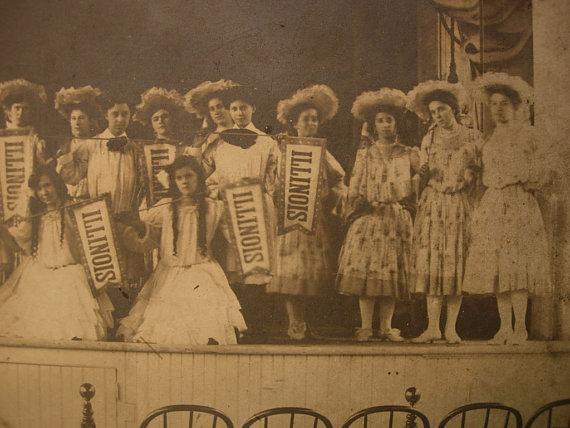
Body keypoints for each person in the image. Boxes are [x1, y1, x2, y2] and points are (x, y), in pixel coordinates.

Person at [462, 73, 554, 345]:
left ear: (515, 106)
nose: (498, 108)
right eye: (493, 104)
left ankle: (520, 328)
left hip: (518, 202)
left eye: (503, 103)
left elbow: (544, 170)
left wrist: (524, 178)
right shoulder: (488, 140)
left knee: (518, 264)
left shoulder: (528, 135)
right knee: (498, 267)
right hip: (493, 203)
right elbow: (482, 172)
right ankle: (504, 327)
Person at [117, 156, 246, 345]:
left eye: (189, 176)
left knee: (205, 325)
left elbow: (236, 237)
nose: (184, 181)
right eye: (179, 178)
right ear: (174, 181)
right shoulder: (164, 208)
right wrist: (127, 229)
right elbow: (148, 240)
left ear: (199, 178)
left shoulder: (214, 207)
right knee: (163, 327)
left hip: (203, 272)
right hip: (169, 273)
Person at [57, 92, 148, 324]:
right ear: (106, 116)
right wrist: (66, 156)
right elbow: (71, 177)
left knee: (128, 277)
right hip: (98, 220)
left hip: (126, 218)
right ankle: (105, 325)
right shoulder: (90, 145)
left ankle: (124, 324)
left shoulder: (137, 149)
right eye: (115, 114)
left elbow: (144, 185)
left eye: (125, 114)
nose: (120, 119)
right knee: (103, 275)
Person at [337, 88, 420, 342]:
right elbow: (355, 185)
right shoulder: (365, 154)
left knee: (391, 273)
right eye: (380, 121)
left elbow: (418, 182)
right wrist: (362, 201)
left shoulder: (409, 153)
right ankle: (365, 326)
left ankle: (386, 326)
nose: (384, 125)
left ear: (397, 123)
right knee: (368, 271)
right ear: (373, 125)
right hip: (370, 217)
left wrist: (407, 196)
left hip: (395, 218)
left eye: (389, 120)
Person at [267, 84, 346, 340]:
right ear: (295, 122)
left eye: (315, 119)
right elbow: (271, 179)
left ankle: (304, 321)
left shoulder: (322, 152)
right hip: (290, 217)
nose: (311, 123)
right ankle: (295, 323)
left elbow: (338, 179)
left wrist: (334, 197)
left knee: (310, 273)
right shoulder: (281, 149)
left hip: (315, 218)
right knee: (292, 270)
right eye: (306, 119)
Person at [406, 81, 482, 344]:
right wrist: (422, 175)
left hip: (459, 204)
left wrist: (470, 176)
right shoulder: (430, 138)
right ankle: (432, 328)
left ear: (453, 109)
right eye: (433, 112)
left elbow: (480, 170)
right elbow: (422, 173)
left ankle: (451, 328)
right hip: (434, 204)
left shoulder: (473, 137)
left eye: (442, 110)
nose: (438, 116)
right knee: (433, 263)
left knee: (454, 262)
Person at [0, 166, 107, 340]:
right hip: (41, 272)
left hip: (70, 273)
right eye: (39, 188)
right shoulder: (36, 215)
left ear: (57, 184)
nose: (44, 192)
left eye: (47, 185)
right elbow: (18, 242)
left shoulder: (73, 208)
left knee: (71, 324)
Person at [0, 79, 51, 279]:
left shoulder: (35, 139)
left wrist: (40, 153)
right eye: (17, 108)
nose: (20, 113)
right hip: (4, 201)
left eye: (25, 108)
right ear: (8, 111)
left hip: (28, 204)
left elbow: (43, 171)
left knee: (25, 250)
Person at [54, 85, 102, 200]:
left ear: (90, 121)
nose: (77, 123)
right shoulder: (65, 146)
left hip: (95, 197)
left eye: (81, 118)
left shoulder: (98, 142)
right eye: (73, 118)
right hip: (70, 199)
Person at [184, 79, 238, 156]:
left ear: (229, 107)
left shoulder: (244, 132)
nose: (216, 112)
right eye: (212, 109)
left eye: (219, 107)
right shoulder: (208, 139)